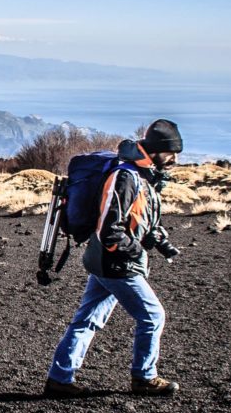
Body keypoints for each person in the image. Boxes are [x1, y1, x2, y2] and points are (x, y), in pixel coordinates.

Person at [44, 118, 183, 397]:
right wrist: (135, 250)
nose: (175, 159)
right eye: (171, 153)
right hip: (115, 262)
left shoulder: (144, 177)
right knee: (153, 316)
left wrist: (156, 240)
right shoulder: (126, 176)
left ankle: (60, 379)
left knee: (87, 319)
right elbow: (110, 229)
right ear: (155, 150)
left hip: (107, 260)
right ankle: (144, 378)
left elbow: (138, 219)